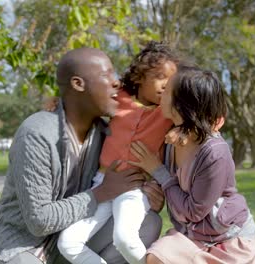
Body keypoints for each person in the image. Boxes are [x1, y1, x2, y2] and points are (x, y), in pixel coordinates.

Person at [0, 48, 164, 264]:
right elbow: (39, 221)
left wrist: (147, 193)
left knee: (149, 221)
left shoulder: (104, 133)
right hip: (22, 245)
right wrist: (102, 192)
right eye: (106, 74)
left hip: (68, 242)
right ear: (78, 84)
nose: (116, 82)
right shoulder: (38, 133)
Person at [57, 41, 178, 264]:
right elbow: (88, 98)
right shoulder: (119, 97)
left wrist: (181, 132)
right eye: (160, 76)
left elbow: (203, 115)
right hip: (102, 183)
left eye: (171, 80)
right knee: (67, 243)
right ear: (140, 76)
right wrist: (58, 102)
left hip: (135, 187)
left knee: (124, 238)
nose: (166, 85)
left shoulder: (168, 111)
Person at [129, 65, 255, 263]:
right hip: (193, 236)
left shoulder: (215, 153)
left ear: (181, 105)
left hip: (228, 239)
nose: (161, 93)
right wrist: (154, 190)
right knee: (155, 257)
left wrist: (157, 171)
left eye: (167, 91)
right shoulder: (171, 136)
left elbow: (193, 211)